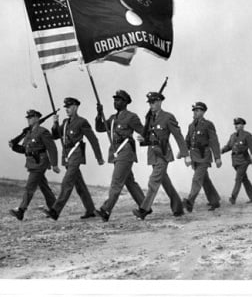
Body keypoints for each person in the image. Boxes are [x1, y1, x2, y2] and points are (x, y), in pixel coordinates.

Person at [44, 98, 105, 220]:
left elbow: (93, 140)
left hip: (76, 154)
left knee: (67, 182)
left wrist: (99, 157)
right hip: (67, 155)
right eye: (66, 107)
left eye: (69, 107)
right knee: (79, 185)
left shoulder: (82, 122)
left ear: (76, 107)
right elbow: (55, 136)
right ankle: (90, 209)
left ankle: (55, 211)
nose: (67, 109)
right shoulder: (66, 122)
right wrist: (55, 123)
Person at [133, 91, 189, 220]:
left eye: (153, 102)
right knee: (165, 182)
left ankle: (144, 209)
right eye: (150, 103)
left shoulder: (168, 117)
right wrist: (143, 139)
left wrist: (186, 154)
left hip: (163, 154)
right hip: (153, 154)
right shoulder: (150, 117)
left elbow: (178, 136)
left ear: (159, 102)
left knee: (153, 181)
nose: (151, 105)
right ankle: (178, 207)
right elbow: (149, 137)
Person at [94, 90, 147, 222]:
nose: (115, 102)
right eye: (115, 99)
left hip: (126, 152)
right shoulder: (112, 118)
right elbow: (100, 128)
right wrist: (99, 114)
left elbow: (143, 131)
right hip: (116, 152)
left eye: (118, 100)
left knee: (116, 182)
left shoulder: (131, 117)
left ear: (125, 102)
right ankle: (145, 206)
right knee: (130, 182)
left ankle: (106, 210)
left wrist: (146, 138)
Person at [8, 109, 59, 221]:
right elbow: (25, 149)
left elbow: (52, 148)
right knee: (44, 187)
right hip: (32, 163)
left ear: (37, 118)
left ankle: (21, 210)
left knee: (29, 187)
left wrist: (55, 164)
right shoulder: (28, 133)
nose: (28, 119)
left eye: (31, 117)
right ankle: (55, 209)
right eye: (28, 118)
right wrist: (14, 146)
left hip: (40, 162)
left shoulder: (43, 132)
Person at [182, 102, 222, 212]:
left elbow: (214, 141)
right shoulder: (191, 126)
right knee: (204, 180)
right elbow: (187, 141)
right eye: (194, 110)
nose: (195, 112)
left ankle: (190, 202)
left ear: (203, 112)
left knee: (197, 179)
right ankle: (214, 201)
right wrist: (183, 153)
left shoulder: (208, 124)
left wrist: (217, 157)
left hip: (204, 156)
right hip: (195, 157)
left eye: (198, 110)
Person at [221, 117, 252, 204]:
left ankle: (233, 197)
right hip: (235, 161)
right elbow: (229, 146)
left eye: (238, 124)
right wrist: (221, 151)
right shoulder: (233, 136)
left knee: (238, 179)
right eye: (235, 124)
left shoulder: (247, 135)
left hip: (244, 161)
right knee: (244, 179)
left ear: (242, 125)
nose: (236, 126)